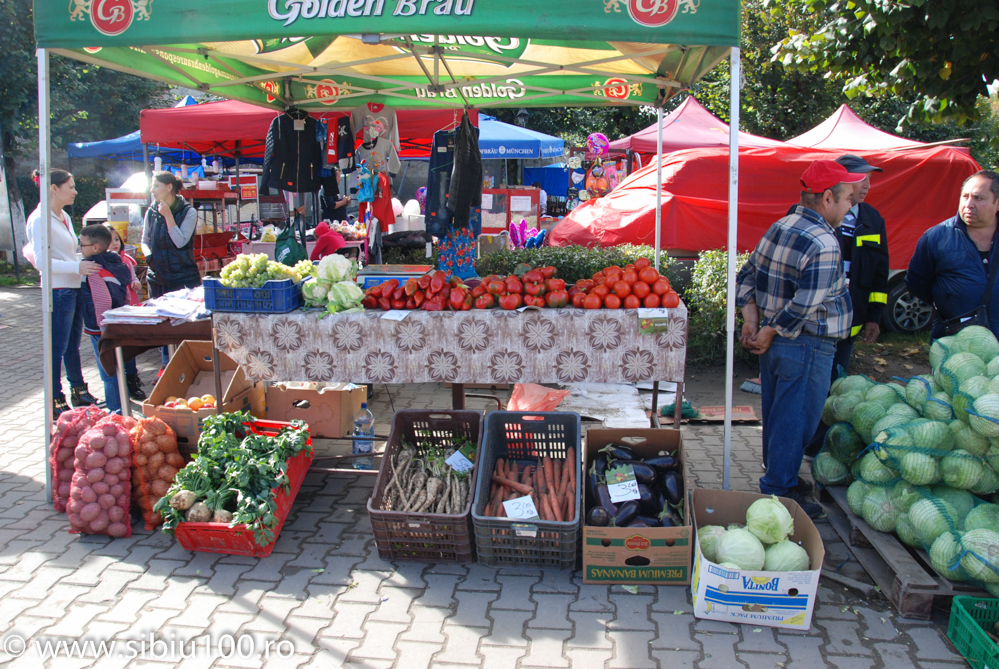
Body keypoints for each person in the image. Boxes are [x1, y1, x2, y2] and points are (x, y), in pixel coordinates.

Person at [737, 160, 862, 518]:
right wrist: (768, 329)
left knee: (779, 415)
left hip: (777, 346)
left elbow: (747, 276)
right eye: (848, 200)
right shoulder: (824, 242)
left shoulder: (781, 225)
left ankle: (782, 475)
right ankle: (779, 492)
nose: (850, 206)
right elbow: (805, 303)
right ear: (827, 198)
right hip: (806, 344)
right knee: (797, 419)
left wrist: (752, 318)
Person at [804, 154, 890, 456]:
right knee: (813, 388)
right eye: (860, 178)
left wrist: (874, 316)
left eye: (870, 178)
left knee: (836, 386)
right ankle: (806, 443)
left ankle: (822, 444)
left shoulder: (873, 219)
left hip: (849, 324)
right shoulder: (815, 215)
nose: (866, 185)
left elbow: (880, 274)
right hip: (815, 325)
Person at [24, 168, 100, 416]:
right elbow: (41, 261)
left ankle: (78, 390)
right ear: (53, 188)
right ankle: (56, 399)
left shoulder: (64, 216)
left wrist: (83, 262)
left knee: (71, 346)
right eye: (71, 186)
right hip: (58, 290)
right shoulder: (39, 219)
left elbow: (66, 253)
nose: (75, 191)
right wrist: (76, 266)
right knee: (57, 347)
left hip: (73, 286)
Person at [907, 171, 999, 341]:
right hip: (953, 342)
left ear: (997, 203)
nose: (969, 204)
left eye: (978, 198)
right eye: (965, 197)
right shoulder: (937, 237)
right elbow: (916, 283)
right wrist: (948, 299)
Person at [141, 171, 201, 374]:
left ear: (169, 187)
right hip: (158, 276)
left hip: (182, 277)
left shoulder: (188, 212)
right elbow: (145, 240)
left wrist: (168, 216)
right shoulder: (151, 210)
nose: (152, 190)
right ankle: (166, 368)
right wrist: (148, 256)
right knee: (161, 326)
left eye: (155, 186)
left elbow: (180, 241)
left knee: (184, 326)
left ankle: (188, 368)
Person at [78, 225, 132, 415]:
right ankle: (124, 408)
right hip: (117, 323)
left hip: (101, 329)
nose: (79, 248)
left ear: (95, 248)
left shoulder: (93, 269)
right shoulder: (116, 262)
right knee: (119, 368)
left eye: (81, 244)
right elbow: (126, 294)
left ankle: (115, 412)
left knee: (108, 372)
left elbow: (102, 302)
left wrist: (103, 329)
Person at [104, 224, 146, 401]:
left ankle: (132, 380)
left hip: (130, 309)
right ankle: (118, 387)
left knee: (129, 347)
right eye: (109, 240)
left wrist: (135, 281)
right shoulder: (101, 263)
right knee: (115, 349)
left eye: (116, 239)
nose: (114, 243)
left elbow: (133, 276)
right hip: (113, 311)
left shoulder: (126, 260)